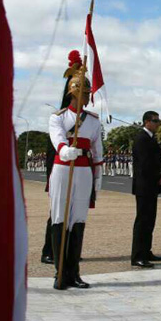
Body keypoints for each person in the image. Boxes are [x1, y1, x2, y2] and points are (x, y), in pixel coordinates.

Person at [48, 65, 104, 290]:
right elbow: (58, 137)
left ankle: (74, 272)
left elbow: (98, 152)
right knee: (60, 218)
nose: (86, 97)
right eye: (82, 93)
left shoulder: (93, 120)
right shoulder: (58, 117)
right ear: (72, 93)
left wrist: (98, 179)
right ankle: (60, 272)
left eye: (87, 93)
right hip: (63, 168)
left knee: (78, 220)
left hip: (83, 170)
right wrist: (63, 149)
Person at [131, 111, 161, 269]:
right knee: (143, 221)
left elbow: (157, 159)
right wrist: (158, 174)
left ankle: (146, 251)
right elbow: (145, 164)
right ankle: (138, 255)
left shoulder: (151, 138)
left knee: (150, 220)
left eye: (159, 120)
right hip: (145, 185)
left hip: (151, 185)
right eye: (155, 120)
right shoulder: (141, 139)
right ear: (146, 122)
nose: (158, 123)